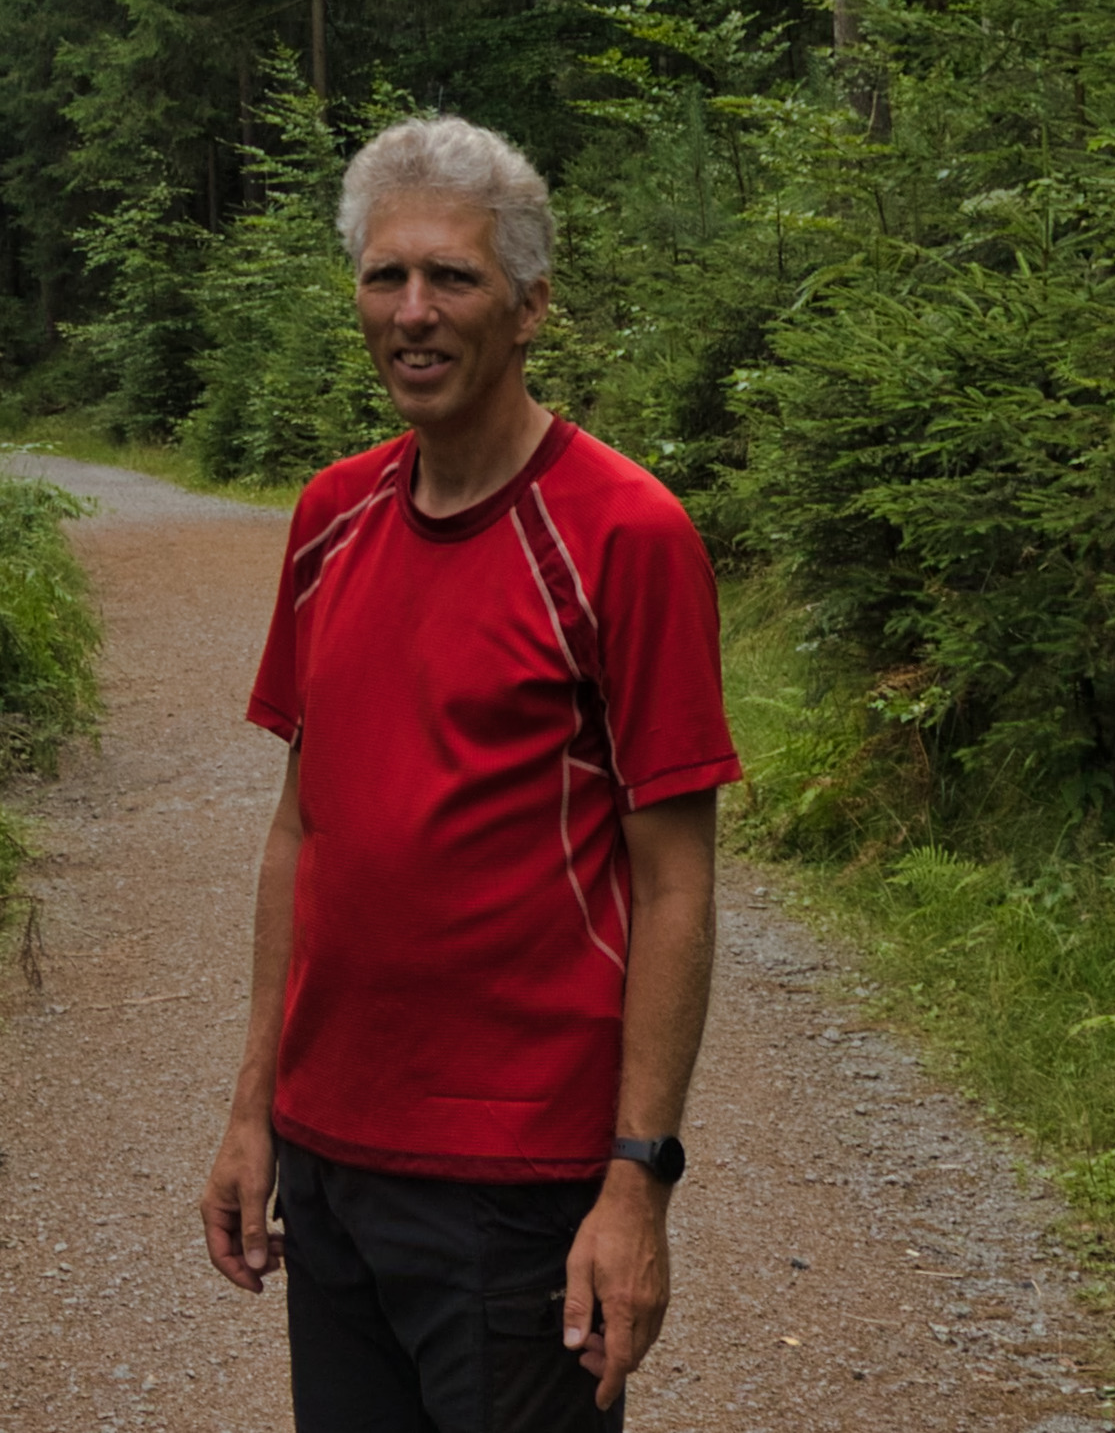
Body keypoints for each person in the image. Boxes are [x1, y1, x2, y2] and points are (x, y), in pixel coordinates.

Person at [197, 115, 739, 1427]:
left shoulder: (626, 534)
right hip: (329, 1166)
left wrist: (637, 1182)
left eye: (453, 277)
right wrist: (251, 1111)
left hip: (517, 1184)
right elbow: (302, 830)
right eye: (385, 276)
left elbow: (675, 885)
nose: (413, 312)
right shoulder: (331, 516)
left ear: (529, 305)